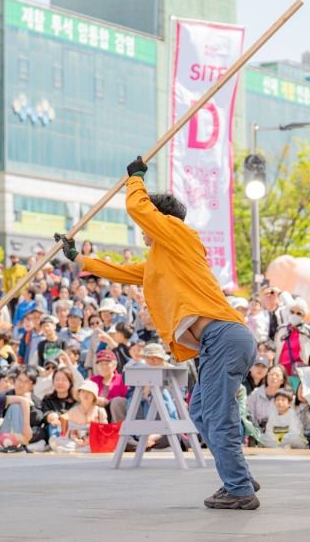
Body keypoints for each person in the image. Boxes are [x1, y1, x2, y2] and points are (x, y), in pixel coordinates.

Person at [56, 155, 260, 510]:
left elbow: (141, 210)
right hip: (216, 342)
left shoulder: (180, 235)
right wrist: (78, 259)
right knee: (199, 412)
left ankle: (239, 487)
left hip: (224, 336)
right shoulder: (161, 260)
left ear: (162, 220)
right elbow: (120, 271)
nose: (143, 229)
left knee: (216, 414)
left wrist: (135, 179)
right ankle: (237, 472)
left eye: (150, 221)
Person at [273, 298, 310, 377]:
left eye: (298, 313)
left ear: (303, 315)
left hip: (300, 372)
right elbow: (276, 349)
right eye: (292, 312)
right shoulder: (281, 329)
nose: (294, 315)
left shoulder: (307, 331)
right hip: (281, 371)